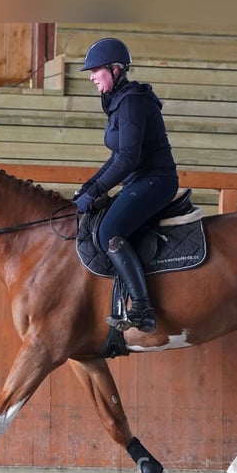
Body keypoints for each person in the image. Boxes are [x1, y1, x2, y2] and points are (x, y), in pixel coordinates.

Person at [74, 37, 179, 334]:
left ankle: (143, 309)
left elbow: (128, 158)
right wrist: (88, 186)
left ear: (115, 68)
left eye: (96, 70)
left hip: (156, 180)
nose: (92, 77)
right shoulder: (120, 101)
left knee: (109, 231)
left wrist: (95, 191)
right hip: (140, 179)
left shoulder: (132, 101)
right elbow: (117, 157)